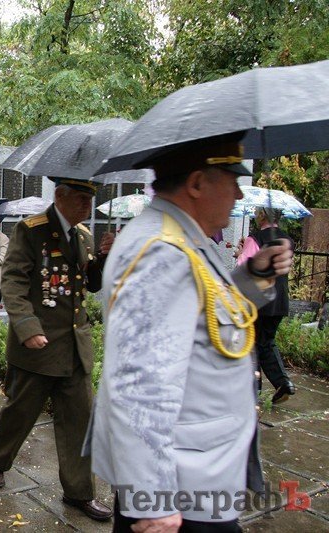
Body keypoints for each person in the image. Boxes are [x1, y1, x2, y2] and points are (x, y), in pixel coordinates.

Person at [87, 136, 293, 532]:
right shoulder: (162, 251)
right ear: (197, 183)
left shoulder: (181, 236)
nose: (238, 193)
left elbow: (211, 312)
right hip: (180, 490)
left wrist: (254, 274)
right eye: (231, 179)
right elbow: (140, 381)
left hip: (196, 477)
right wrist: (153, 497)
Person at [0, 178, 115, 523]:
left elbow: (92, 283)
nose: (87, 206)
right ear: (60, 196)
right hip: (37, 345)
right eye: (82, 199)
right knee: (21, 410)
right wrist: (27, 328)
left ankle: (79, 492)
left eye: (91, 200)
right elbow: (13, 281)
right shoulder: (31, 231)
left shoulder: (84, 236)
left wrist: (104, 256)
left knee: (80, 419)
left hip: (74, 347)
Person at [236, 206, 295, 403]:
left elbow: (243, 268)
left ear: (261, 215)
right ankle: (283, 383)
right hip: (279, 300)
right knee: (266, 341)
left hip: (258, 299)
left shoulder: (255, 238)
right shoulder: (287, 240)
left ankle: (255, 388)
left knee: (253, 343)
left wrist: (240, 252)